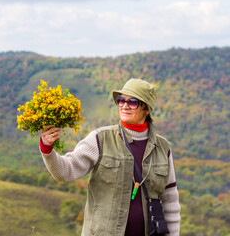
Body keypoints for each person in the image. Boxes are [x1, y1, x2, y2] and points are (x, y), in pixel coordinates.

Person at [40, 78, 180, 236]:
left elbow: (170, 201)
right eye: (121, 100)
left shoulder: (163, 148)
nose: (124, 106)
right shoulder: (100, 138)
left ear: (146, 109)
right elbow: (65, 172)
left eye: (132, 102)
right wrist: (47, 148)